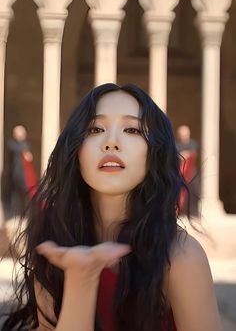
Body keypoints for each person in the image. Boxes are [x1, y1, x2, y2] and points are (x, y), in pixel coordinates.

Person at [2, 84, 222, 330]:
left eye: (131, 129)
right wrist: (80, 282)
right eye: (96, 129)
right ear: (76, 150)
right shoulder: (53, 246)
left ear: (154, 153)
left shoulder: (181, 256)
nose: (111, 143)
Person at [3, 125, 37, 218]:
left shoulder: (26, 144)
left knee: (26, 194)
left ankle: (26, 214)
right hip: (15, 174)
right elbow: (18, 150)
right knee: (15, 195)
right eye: (20, 133)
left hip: (25, 175)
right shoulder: (12, 144)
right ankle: (15, 215)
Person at [175, 125, 199, 214]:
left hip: (191, 173)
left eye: (185, 134)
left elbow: (192, 153)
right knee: (179, 193)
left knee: (193, 192)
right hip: (179, 173)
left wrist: (185, 154)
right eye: (182, 134)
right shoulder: (176, 144)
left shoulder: (192, 143)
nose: (184, 136)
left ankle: (194, 213)